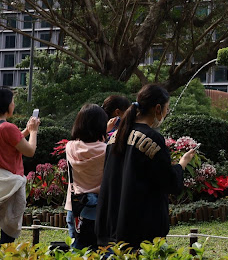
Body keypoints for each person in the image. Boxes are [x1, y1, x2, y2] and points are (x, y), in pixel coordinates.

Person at [95, 84, 195, 250]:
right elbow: (169, 181)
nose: (166, 113)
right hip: (139, 228)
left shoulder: (116, 136)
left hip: (111, 224)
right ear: (157, 108)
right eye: (166, 109)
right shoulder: (152, 138)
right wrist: (182, 163)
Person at [64, 104, 109, 250]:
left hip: (76, 208)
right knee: (101, 252)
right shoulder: (107, 150)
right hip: (100, 210)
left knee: (78, 251)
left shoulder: (70, 147)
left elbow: (87, 145)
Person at [0, 87, 40, 244]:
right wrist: (34, 132)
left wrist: (26, 131)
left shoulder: (7, 129)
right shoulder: (9, 128)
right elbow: (29, 151)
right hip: (11, 186)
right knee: (8, 227)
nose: (14, 105)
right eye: (13, 101)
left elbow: (10, 140)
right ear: (7, 105)